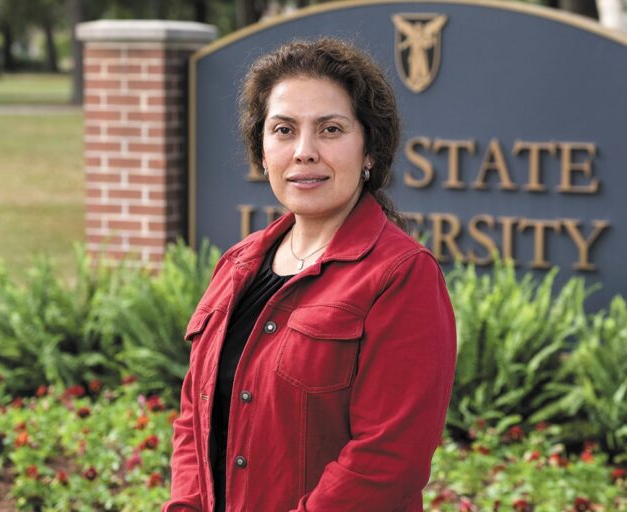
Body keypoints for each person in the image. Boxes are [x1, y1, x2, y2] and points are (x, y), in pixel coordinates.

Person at [165, 37, 456, 512]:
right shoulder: (237, 265)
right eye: (283, 130)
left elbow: (386, 461)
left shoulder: (401, 277)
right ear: (262, 151)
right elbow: (194, 418)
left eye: (330, 129)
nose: (304, 151)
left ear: (370, 151)